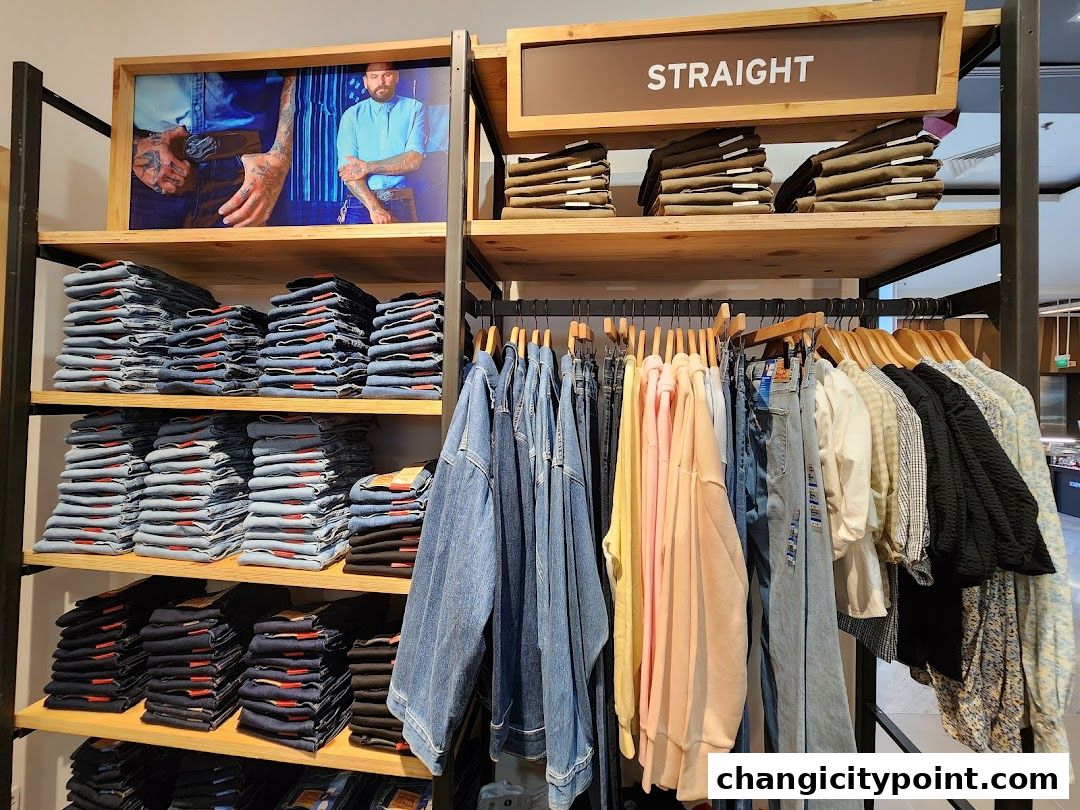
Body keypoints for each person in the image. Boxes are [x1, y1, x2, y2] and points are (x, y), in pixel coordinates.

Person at [130, 71, 297, 228]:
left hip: (249, 167)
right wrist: (133, 148)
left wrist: (280, 155)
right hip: (149, 177)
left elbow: (296, 60)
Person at [336, 62, 426, 224]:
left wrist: (368, 167)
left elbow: (414, 160)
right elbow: (349, 172)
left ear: (396, 77)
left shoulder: (415, 109)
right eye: (374, 77)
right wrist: (375, 208)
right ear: (365, 82)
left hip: (402, 200)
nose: (381, 81)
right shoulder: (351, 116)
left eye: (387, 75)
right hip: (361, 202)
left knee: (408, 250)